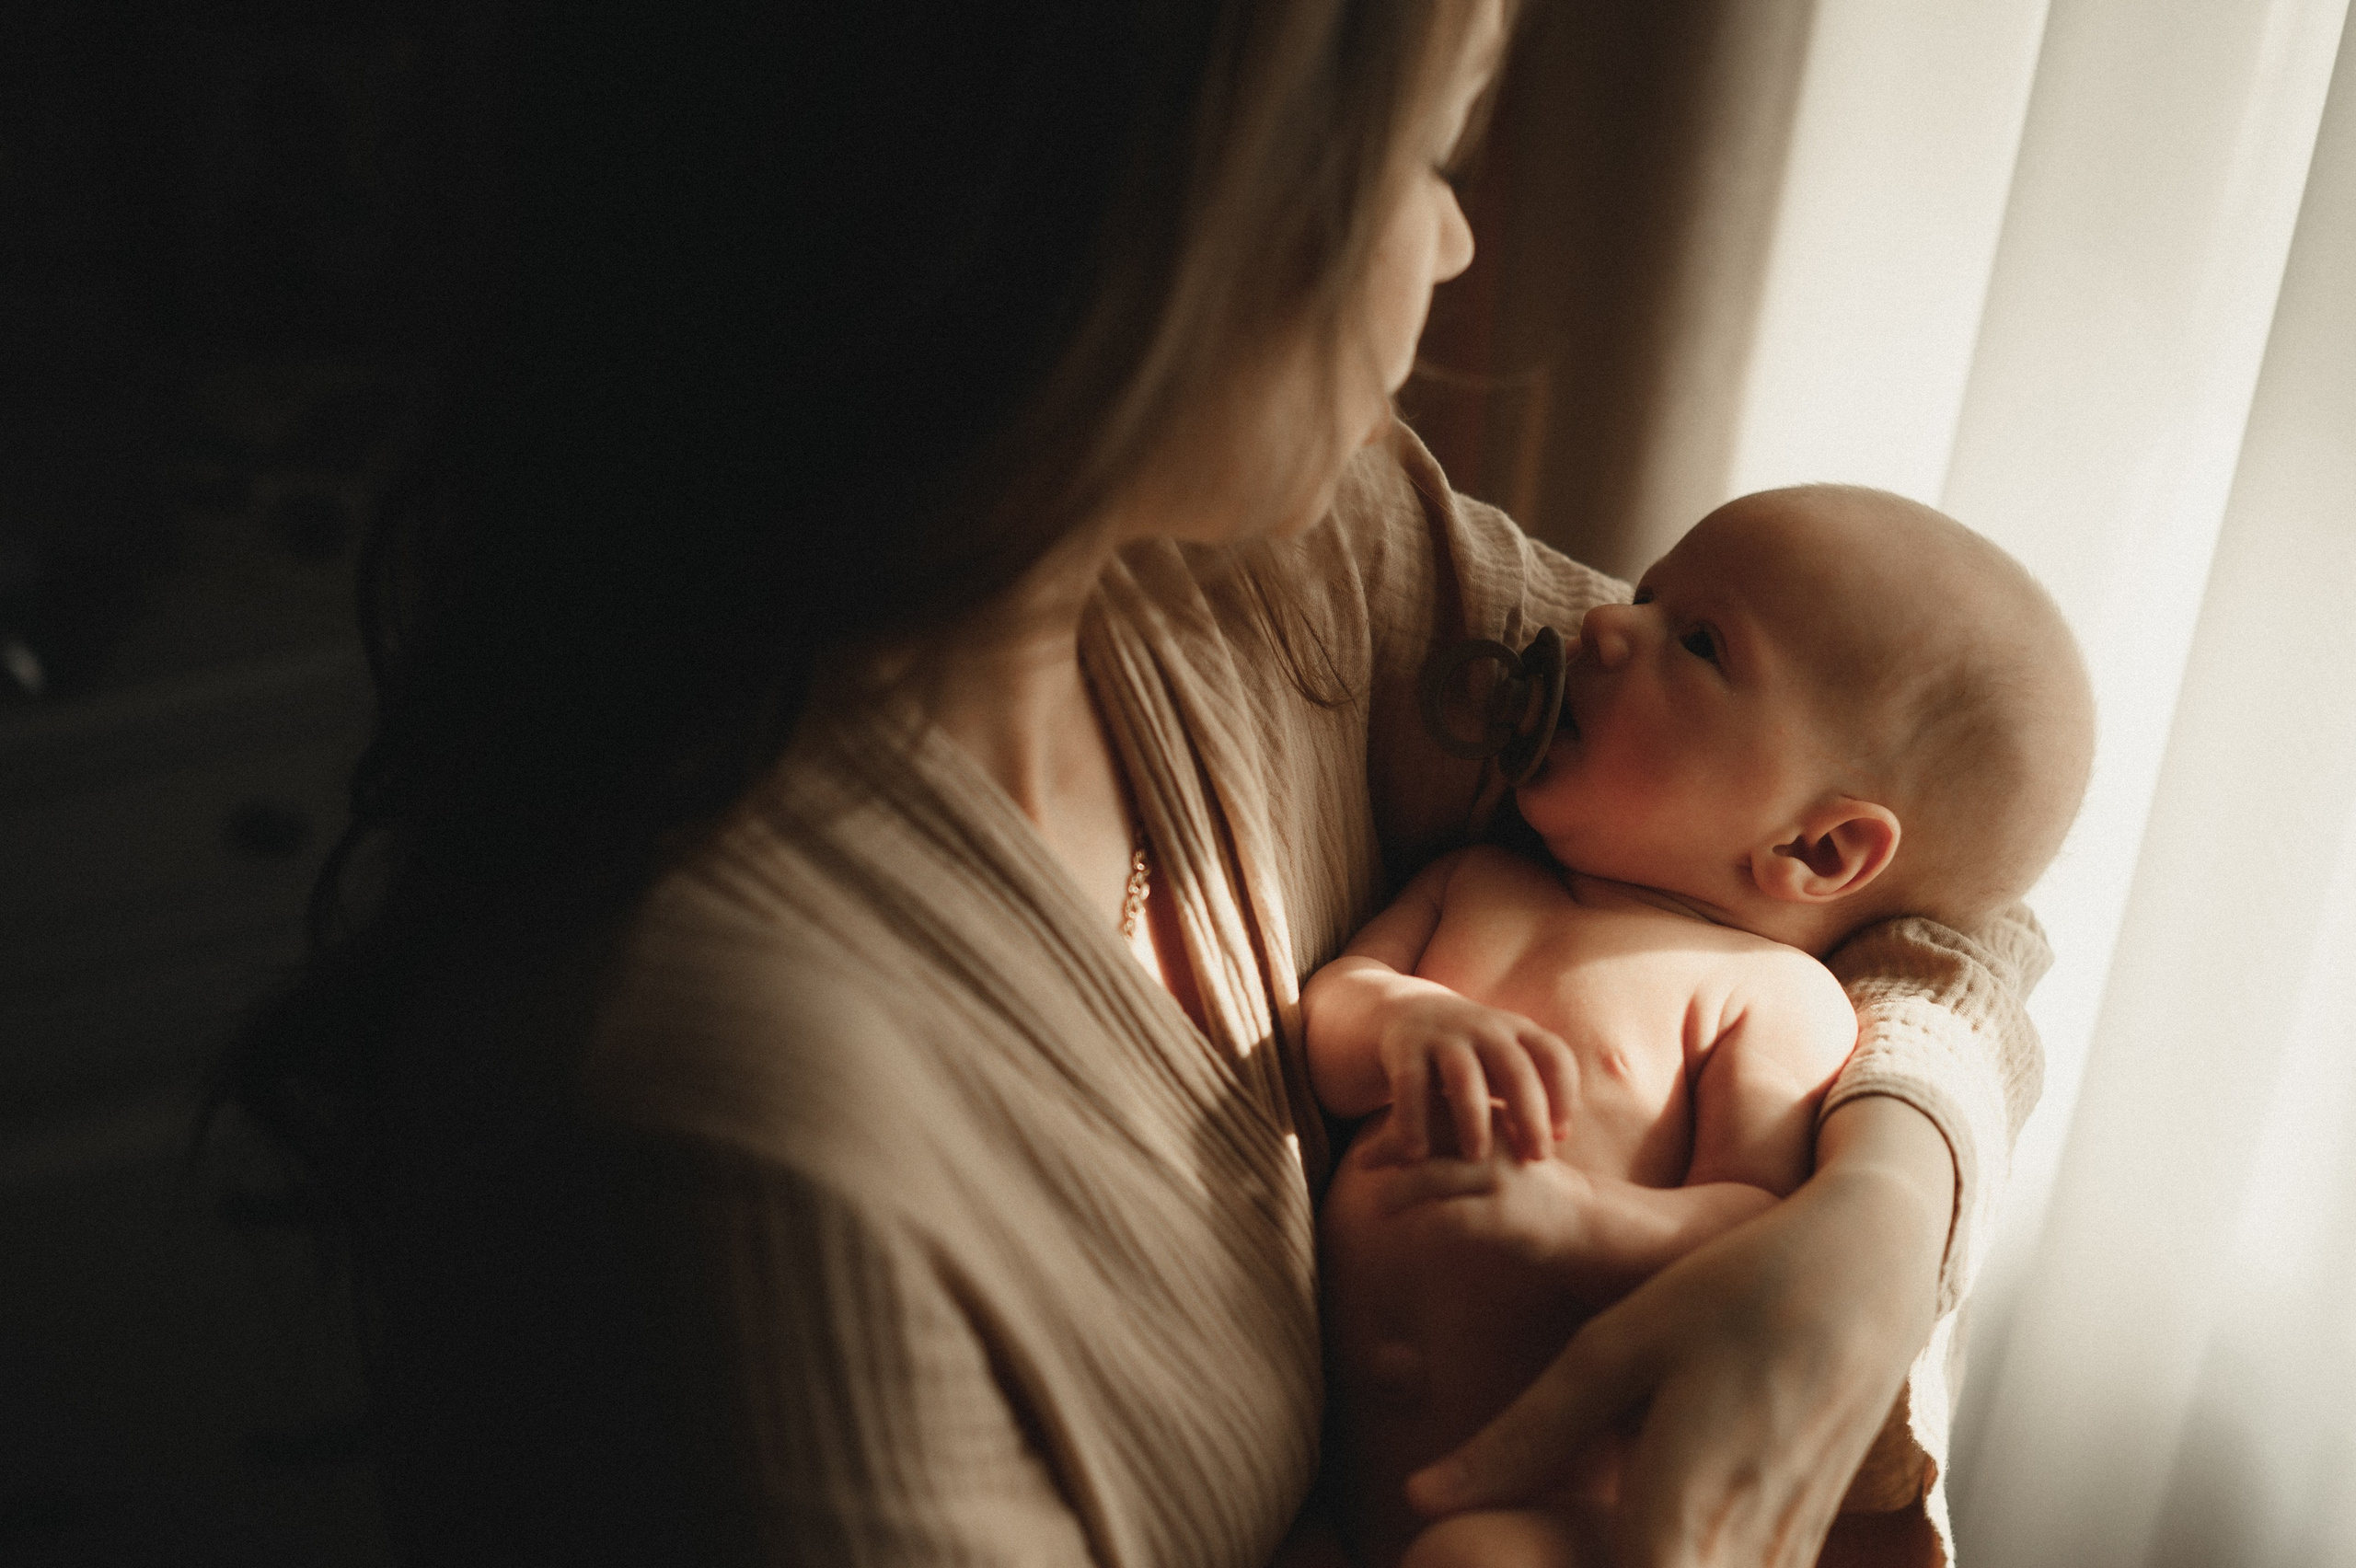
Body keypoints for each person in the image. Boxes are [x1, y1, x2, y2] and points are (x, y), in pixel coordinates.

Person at [218, 4, 2054, 1563]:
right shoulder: (722, 1164)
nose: (1456, 249)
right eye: (1432, 158)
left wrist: (1868, 1233)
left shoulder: (1290, 562)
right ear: (1165, 231)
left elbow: (1921, 879)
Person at [1308, 487, 2094, 1568]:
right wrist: (1401, 1023)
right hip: (1329, 1490)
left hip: (1561, 1518)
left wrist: (1575, 1217)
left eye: (1701, 642)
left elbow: (1748, 1231)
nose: (1600, 624)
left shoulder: (1773, 1000)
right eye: (1645, 595)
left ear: (1815, 849)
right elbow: (1333, 1009)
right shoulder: (1472, 882)